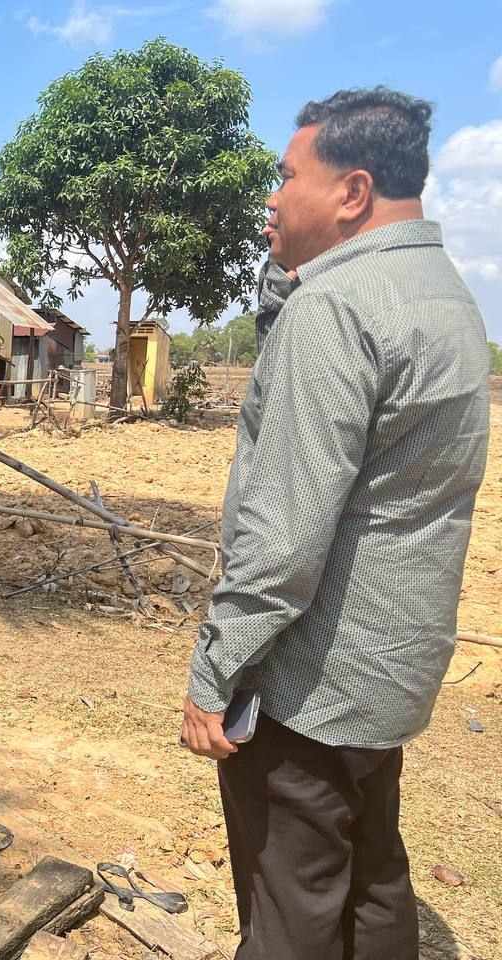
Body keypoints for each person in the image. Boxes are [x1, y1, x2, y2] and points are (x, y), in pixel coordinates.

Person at [180, 87, 490, 957]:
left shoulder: (336, 312)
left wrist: (215, 674)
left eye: (286, 177)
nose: (271, 198)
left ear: (352, 193)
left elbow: (282, 537)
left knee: (292, 905)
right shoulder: (444, 296)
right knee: (373, 875)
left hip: (310, 684)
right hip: (392, 667)